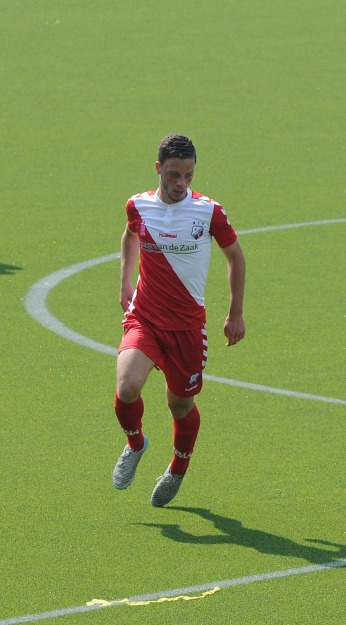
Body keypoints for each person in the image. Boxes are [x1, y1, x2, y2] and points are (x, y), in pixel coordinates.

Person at [111, 133, 246, 507]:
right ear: (158, 169)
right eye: (173, 174)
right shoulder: (138, 206)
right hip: (145, 318)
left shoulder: (208, 212)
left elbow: (236, 258)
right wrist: (125, 280)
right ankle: (135, 444)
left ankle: (177, 467)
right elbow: (129, 235)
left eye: (188, 175)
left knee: (180, 406)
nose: (181, 183)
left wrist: (235, 313)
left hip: (187, 328)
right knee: (127, 388)